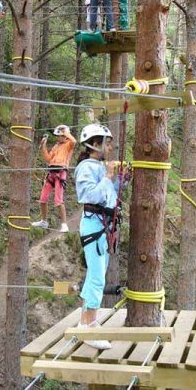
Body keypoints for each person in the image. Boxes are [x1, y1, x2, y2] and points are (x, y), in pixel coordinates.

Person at [74, 124, 119, 350]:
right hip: (94, 225)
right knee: (97, 278)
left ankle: (86, 320)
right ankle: (88, 327)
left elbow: (110, 194)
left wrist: (120, 179)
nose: (110, 147)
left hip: (103, 226)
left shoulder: (98, 167)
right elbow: (88, 195)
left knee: (96, 274)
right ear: (95, 144)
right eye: (107, 143)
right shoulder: (86, 168)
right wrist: (109, 177)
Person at [31, 125, 77, 233]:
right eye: (57, 136)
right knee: (42, 198)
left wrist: (65, 132)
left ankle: (64, 224)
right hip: (51, 172)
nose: (57, 138)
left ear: (65, 136)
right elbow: (48, 159)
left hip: (61, 173)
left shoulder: (69, 144)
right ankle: (44, 221)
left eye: (59, 136)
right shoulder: (56, 146)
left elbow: (74, 141)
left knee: (58, 200)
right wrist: (44, 147)